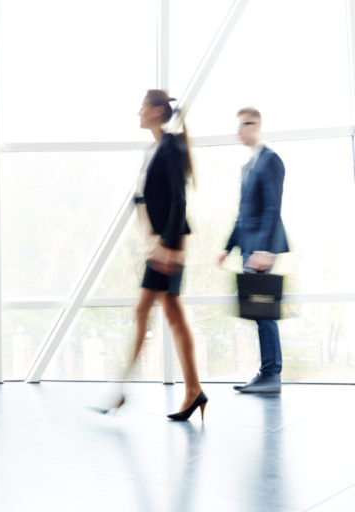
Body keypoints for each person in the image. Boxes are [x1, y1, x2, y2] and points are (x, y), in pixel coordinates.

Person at [101, 89, 207, 421]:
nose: (138, 113)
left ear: (158, 111)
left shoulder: (170, 148)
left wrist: (168, 247)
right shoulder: (157, 148)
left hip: (167, 244)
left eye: (143, 108)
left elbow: (178, 200)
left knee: (143, 310)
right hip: (159, 243)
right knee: (172, 315)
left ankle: (119, 390)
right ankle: (194, 391)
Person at [218, 107, 288, 394]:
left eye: (245, 125)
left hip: (261, 250)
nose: (240, 131)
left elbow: (273, 207)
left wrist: (264, 250)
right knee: (258, 311)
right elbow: (242, 213)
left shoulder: (271, 161)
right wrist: (227, 247)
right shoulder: (247, 167)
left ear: (257, 125)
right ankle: (268, 373)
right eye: (239, 125)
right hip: (248, 248)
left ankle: (271, 374)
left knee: (264, 311)